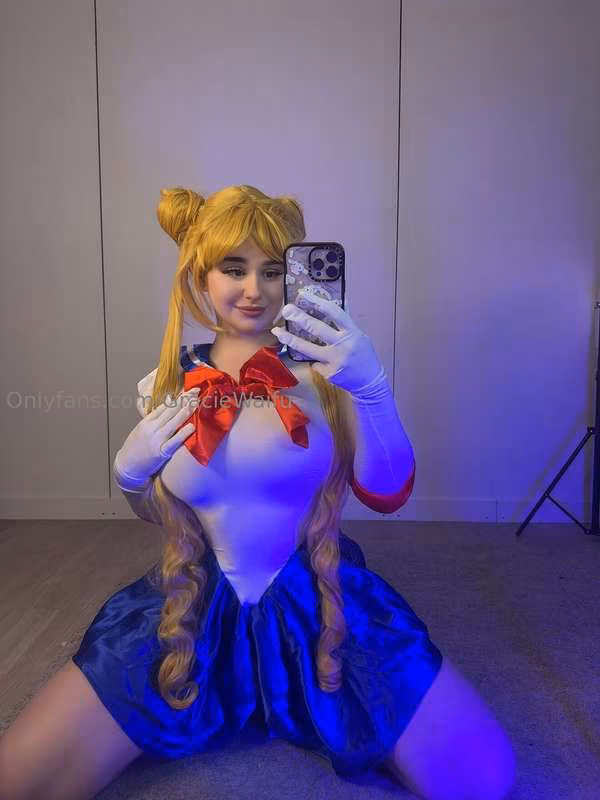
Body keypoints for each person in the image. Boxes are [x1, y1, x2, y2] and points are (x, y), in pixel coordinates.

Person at [0, 185, 516, 800]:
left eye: (273, 271)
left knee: (484, 777)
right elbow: (161, 513)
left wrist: (373, 390)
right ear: (201, 274)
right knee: (20, 777)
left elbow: (387, 493)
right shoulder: (165, 384)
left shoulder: (333, 376)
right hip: (194, 603)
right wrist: (131, 478)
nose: (254, 290)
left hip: (316, 600)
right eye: (233, 268)